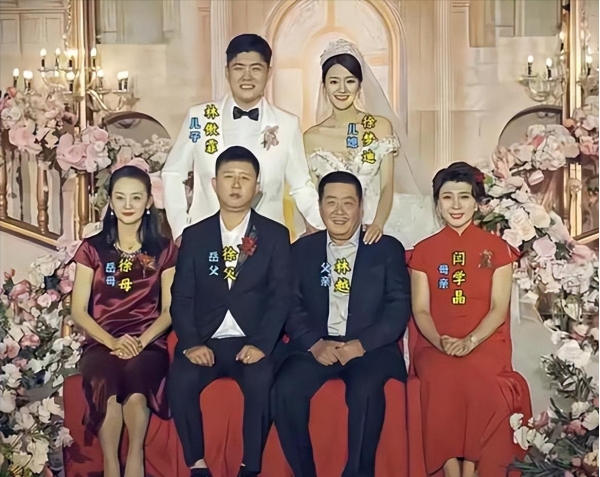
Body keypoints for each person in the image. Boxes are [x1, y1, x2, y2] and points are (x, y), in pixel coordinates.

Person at [274, 171, 411, 477]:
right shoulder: (301, 250)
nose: (339, 211)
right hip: (316, 345)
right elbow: (289, 304)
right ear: (320, 206)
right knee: (285, 389)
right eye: (331, 202)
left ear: (361, 207)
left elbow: (398, 307)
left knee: (365, 389)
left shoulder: (386, 248)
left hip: (370, 349)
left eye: (348, 203)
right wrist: (314, 343)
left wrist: (362, 345)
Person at [167, 146, 292, 477]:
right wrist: (191, 343)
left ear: (257, 187)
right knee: (180, 379)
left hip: (252, 340)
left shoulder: (275, 235)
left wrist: (262, 344)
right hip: (206, 339)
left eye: (244, 178)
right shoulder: (195, 236)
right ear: (214, 183)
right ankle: (197, 464)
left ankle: (250, 466)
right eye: (228, 177)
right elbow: (181, 296)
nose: (236, 185)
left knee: (261, 378)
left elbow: (281, 297)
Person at [408, 162, 531, 477]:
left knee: (482, 381)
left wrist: (471, 341)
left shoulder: (498, 250)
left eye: (464, 197)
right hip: (436, 342)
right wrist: (441, 342)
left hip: (485, 341)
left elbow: (498, 308)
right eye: (447, 197)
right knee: (439, 378)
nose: (456, 205)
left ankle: (472, 469)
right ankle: (451, 470)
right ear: (437, 204)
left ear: (477, 203)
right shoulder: (423, 251)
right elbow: (421, 310)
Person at [162, 33, 323, 242]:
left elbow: (301, 185)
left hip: (266, 243)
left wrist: (322, 226)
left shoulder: (287, 124)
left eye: (256, 69)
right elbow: (173, 173)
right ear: (227, 72)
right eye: (239, 68)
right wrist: (181, 229)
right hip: (205, 240)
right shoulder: (199, 118)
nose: (247, 77)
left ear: (269, 73)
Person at [71, 165, 177, 477]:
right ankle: (111, 466)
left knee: (136, 390)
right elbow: (79, 310)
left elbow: (170, 310)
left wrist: (140, 342)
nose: (128, 205)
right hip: (102, 342)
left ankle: (135, 459)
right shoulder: (92, 248)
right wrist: (113, 342)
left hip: (148, 342)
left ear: (149, 202)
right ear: (111, 202)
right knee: (107, 386)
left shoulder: (164, 249)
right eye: (120, 197)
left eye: (136, 197)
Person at [304, 39, 439, 248]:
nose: (342, 89)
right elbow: (312, 193)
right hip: (334, 225)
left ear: (360, 84)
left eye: (350, 81)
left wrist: (378, 224)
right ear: (324, 86)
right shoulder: (311, 137)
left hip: (381, 221)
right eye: (334, 82)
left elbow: (387, 185)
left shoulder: (380, 127)